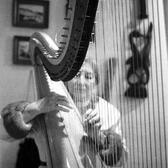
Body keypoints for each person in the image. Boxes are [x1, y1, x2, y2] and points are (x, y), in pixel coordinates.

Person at [0, 58, 127, 167]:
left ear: (96, 83)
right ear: (67, 80)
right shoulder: (49, 105)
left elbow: (120, 162)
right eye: (76, 75)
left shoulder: (109, 111)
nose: (81, 82)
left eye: (88, 77)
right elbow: (3, 133)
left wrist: (98, 138)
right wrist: (36, 107)